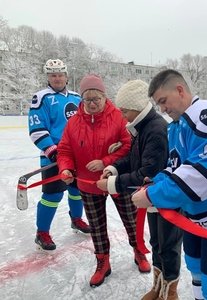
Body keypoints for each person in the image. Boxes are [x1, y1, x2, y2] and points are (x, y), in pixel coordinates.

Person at [132, 69, 207, 300]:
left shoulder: (205, 113)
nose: (163, 109)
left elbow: (199, 179)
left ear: (180, 90)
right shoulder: (177, 126)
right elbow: (175, 166)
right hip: (195, 216)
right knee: (195, 266)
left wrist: (153, 196)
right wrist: (155, 182)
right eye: (158, 105)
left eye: (163, 101)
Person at [57, 74, 147, 287]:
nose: (92, 103)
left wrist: (105, 161)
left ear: (105, 97)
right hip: (88, 184)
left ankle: (139, 252)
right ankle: (102, 262)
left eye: (96, 97)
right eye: (87, 99)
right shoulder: (73, 122)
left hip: (118, 179)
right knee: (97, 226)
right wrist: (66, 168)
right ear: (82, 100)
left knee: (132, 221)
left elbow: (129, 148)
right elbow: (65, 150)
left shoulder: (119, 117)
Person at [96, 79, 183, 300]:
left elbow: (148, 171)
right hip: (153, 200)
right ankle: (158, 287)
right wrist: (113, 168)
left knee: (169, 246)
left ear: (136, 107)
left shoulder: (155, 129)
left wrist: (113, 185)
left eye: (124, 111)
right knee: (157, 244)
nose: (122, 115)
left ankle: (169, 292)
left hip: (166, 200)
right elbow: (133, 159)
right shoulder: (141, 127)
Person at [28, 59, 90, 251]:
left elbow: (86, 125)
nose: (57, 78)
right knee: (52, 196)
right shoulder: (41, 98)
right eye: (53, 75)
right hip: (53, 155)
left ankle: (77, 219)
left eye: (60, 74)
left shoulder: (76, 98)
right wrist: (53, 152)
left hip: (77, 155)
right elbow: (37, 129)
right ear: (48, 77)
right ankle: (42, 233)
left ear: (66, 76)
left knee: (77, 191)